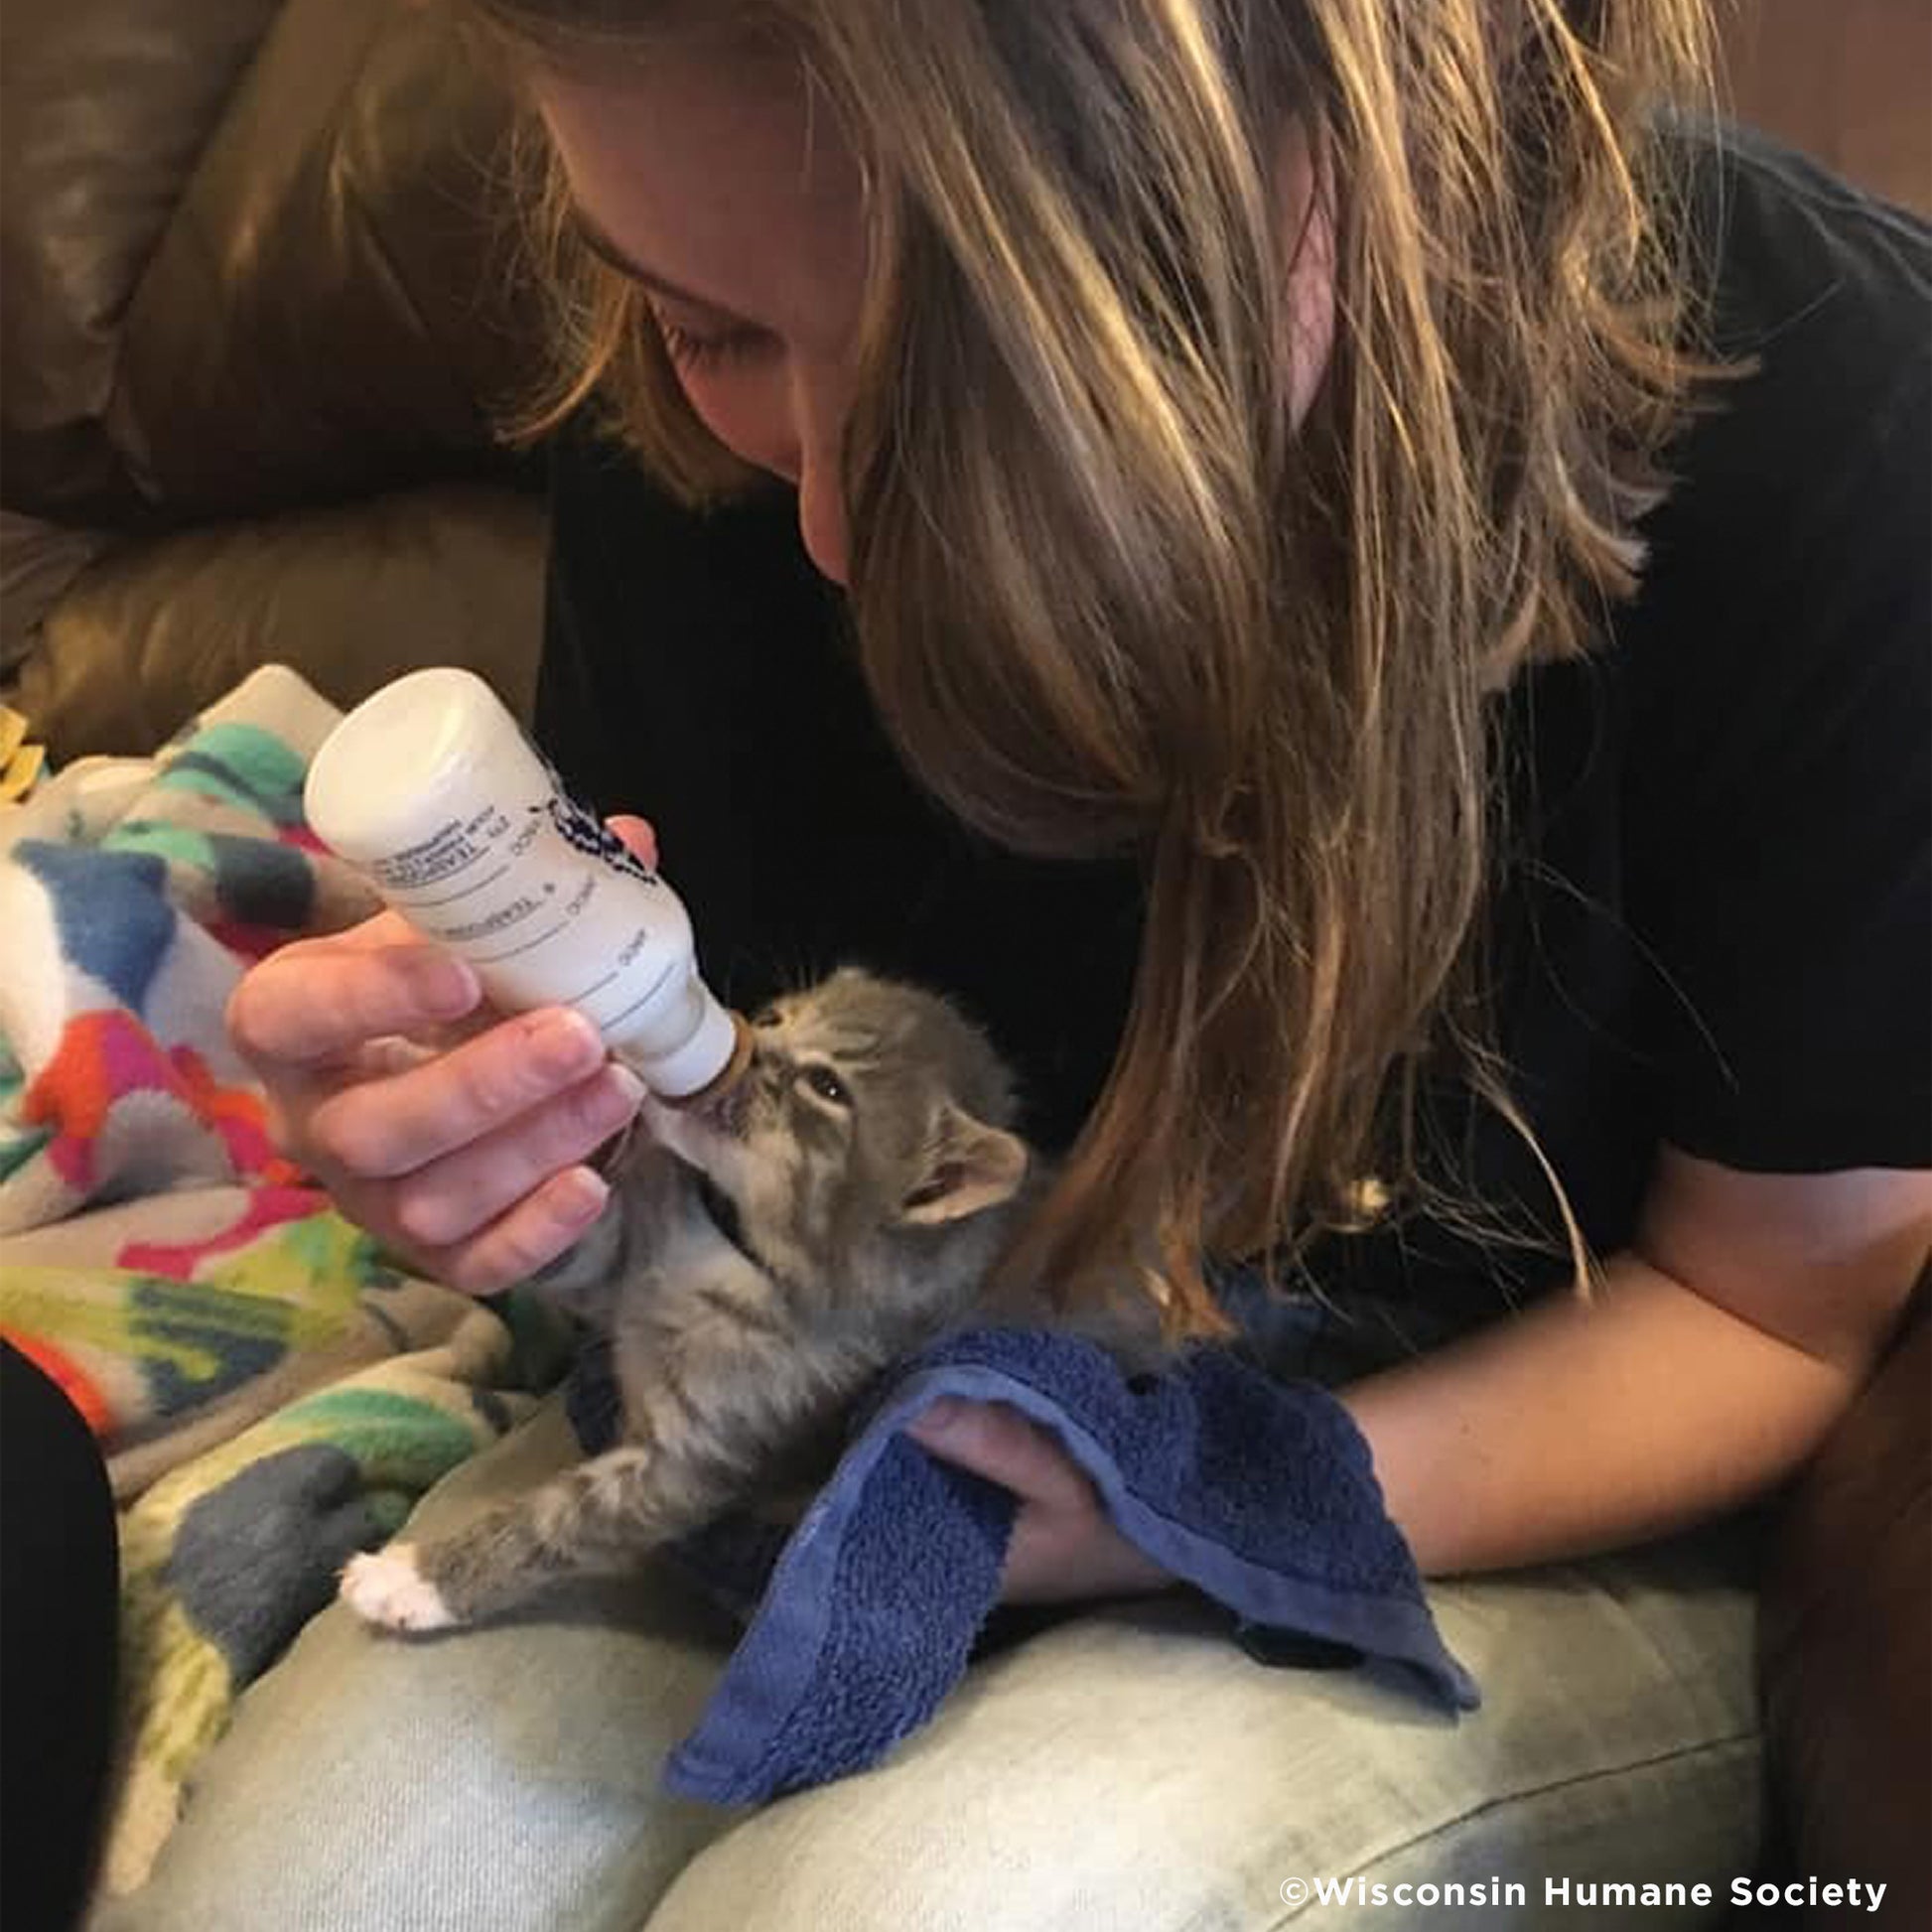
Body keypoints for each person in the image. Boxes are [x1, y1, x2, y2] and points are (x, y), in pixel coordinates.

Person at [102, 2, 1929, 1927]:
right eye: (712, 330)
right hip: (842, 1398)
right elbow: (687, 1094)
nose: (829, 527)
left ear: (1350, 160)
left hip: (1488, 1474)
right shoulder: (711, 353)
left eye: (966, 392)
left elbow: (1771, 1312)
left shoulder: (1834, 429)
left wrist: (1166, 1495)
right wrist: (503, 1147)